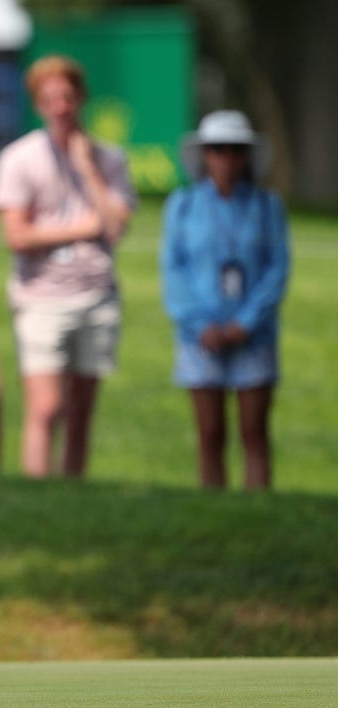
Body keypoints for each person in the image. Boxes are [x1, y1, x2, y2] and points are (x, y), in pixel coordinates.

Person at [0, 55, 136, 478]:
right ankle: (37, 489)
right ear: (38, 104)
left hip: (97, 295)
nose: (60, 107)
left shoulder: (110, 160)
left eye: (67, 97)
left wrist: (88, 168)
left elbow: (116, 226)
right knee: (47, 406)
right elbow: (17, 236)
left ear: (81, 99)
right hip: (41, 297)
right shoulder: (19, 159)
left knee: (81, 411)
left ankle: (72, 491)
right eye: (49, 99)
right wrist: (83, 227)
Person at [160, 110, 289, 489]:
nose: (226, 159)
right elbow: (174, 270)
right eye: (217, 150)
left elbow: (277, 269)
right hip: (200, 335)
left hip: (253, 333)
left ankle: (256, 506)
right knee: (210, 433)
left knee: (254, 432)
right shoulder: (183, 205)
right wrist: (200, 324)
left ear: (246, 156)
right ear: (204, 155)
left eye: (235, 150)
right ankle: (213, 505)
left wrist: (245, 323)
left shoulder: (267, 206)